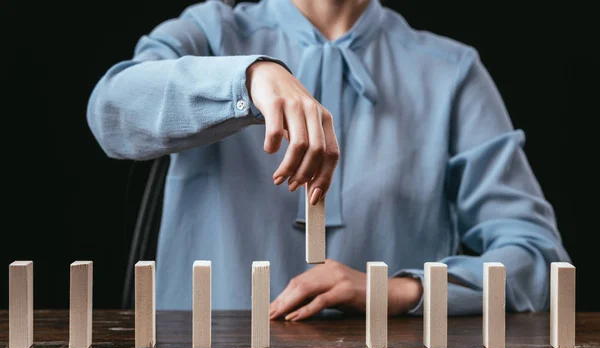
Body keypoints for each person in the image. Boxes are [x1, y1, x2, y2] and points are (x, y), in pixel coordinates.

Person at [86, 0, 570, 319]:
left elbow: (537, 258)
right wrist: (248, 79)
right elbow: (111, 112)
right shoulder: (211, 32)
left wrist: (400, 292)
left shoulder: (451, 72)